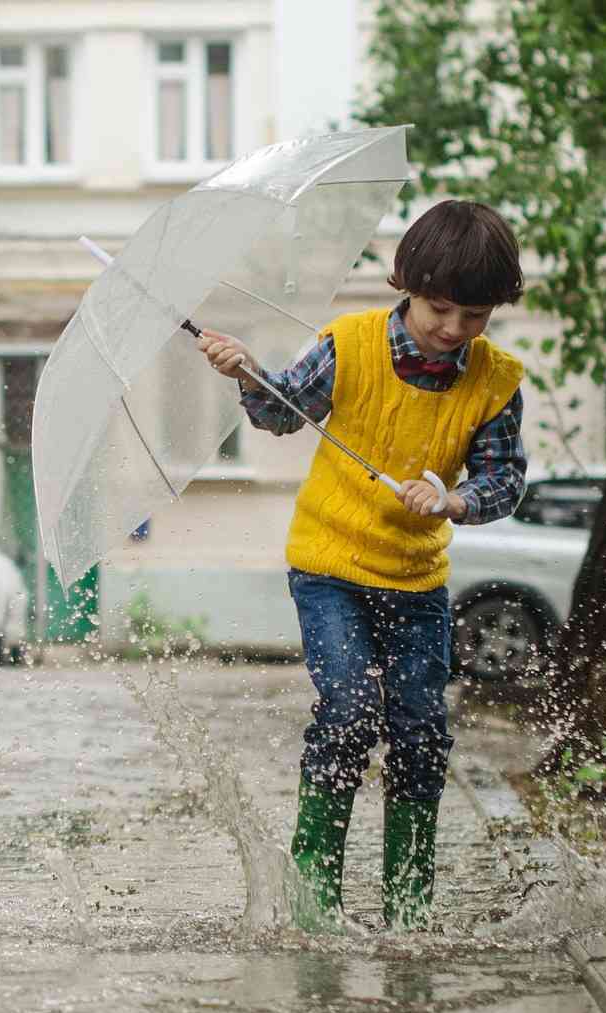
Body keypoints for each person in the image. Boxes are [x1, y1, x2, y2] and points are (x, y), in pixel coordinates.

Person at [197, 199, 528, 930]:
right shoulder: (348, 346)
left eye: (475, 316)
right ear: (406, 284)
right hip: (330, 569)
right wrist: (248, 372)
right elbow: (282, 413)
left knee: (419, 732)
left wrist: (458, 501)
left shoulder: (496, 381)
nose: (454, 329)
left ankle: (409, 907)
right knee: (347, 714)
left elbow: (504, 480)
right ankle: (315, 903)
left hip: (417, 581)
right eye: (440, 308)